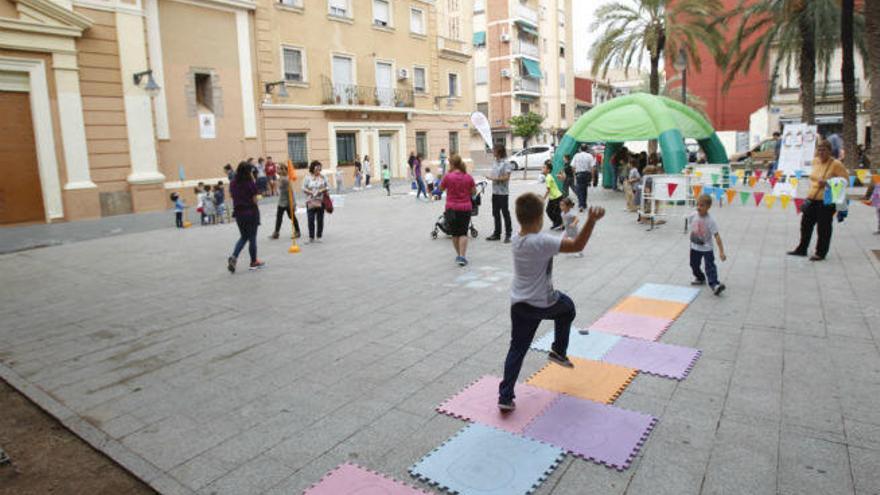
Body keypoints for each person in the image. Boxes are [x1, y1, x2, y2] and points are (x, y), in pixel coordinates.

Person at [497, 195, 606, 411]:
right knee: (567, 309)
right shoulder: (542, 241)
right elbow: (577, 245)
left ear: (519, 219)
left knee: (517, 348)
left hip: (519, 303)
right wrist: (591, 220)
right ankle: (558, 350)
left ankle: (505, 396)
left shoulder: (516, 238)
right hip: (543, 302)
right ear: (539, 218)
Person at [787, 140, 849, 260]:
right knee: (805, 225)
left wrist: (828, 183)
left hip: (826, 200)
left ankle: (820, 252)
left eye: (823, 150)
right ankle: (802, 248)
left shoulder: (836, 164)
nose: (821, 152)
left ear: (830, 151)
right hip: (812, 198)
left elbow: (845, 181)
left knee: (823, 227)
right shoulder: (815, 161)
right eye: (819, 149)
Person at [228, 161, 264, 273]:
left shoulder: (233, 183)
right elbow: (254, 199)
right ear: (248, 172)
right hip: (251, 213)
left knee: (244, 236)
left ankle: (234, 257)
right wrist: (258, 198)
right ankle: (253, 261)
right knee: (252, 237)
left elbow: (231, 195)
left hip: (239, 214)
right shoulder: (250, 183)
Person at [440, 155, 476, 266]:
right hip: (465, 208)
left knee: (455, 234)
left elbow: (440, 189)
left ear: (451, 164)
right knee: (463, 233)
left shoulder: (448, 177)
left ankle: (459, 255)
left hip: (451, 208)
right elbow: (474, 192)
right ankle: (462, 256)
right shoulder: (468, 177)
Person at [688, 194, 727, 295]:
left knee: (710, 267)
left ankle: (715, 285)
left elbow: (717, 236)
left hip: (707, 249)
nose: (699, 207)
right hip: (694, 247)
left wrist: (721, 252)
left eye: (702, 205)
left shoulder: (710, 220)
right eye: (698, 205)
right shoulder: (693, 215)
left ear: (708, 207)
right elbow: (689, 222)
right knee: (693, 265)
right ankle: (700, 277)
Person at [487, 144, 513, 242]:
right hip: (495, 192)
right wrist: (491, 177)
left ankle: (508, 234)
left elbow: (507, 177)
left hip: (503, 193)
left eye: (494, 150)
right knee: (495, 213)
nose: (493, 152)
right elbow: (494, 174)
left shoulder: (506, 163)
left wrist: (494, 178)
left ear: (499, 152)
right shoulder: (495, 162)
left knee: (505, 213)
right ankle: (497, 233)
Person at [270, 166, 301, 240]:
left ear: (282, 170)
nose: (276, 170)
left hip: (288, 202)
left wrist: (293, 203)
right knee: (279, 217)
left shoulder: (285, 179)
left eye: (278, 169)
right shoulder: (281, 178)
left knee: (291, 217)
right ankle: (276, 233)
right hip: (281, 201)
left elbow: (290, 191)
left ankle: (297, 231)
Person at [303, 160, 329, 243]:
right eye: (317, 168)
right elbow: (303, 188)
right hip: (310, 201)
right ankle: (311, 237)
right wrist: (310, 192)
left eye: (319, 168)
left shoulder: (323, 177)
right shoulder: (307, 177)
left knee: (320, 219)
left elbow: (328, 187)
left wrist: (321, 190)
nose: (318, 170)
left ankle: (319, 236)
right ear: (313, 168)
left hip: (320, 201)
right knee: (310, 219)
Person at [571, 144, 595, 211]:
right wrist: (593, 177)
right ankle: (584, 204)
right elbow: (593, 167)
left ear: (580, 149)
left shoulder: (576, 155)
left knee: (579, 190)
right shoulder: (589, 156)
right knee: (584, 189)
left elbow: (572, 166)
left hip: (579, 174)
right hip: (587, 174)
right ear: (587, 149)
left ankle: (581, 205)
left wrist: (574, 174)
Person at [542, 160, 564, 230]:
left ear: (548, 170)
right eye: (543, 167)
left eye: (544, 168)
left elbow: (548, 190)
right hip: (553, 197)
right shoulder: (548, 176)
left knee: (556, 212)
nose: (542, 169)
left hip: (557, 197)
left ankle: (559, 224)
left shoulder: (548, 177)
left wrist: (543, 199)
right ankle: (557, 223)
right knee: (549, 211)